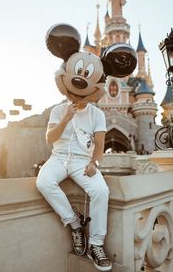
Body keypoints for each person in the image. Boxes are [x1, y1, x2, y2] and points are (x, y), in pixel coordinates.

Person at [36, 93, 112, 271]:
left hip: (82, 160)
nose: (80, 96)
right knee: (44, 182)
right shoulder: (58, 110)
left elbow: (100, 145)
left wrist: (94, 162)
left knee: (101, 190)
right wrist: (66, 118)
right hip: (58, 158)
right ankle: (75, 224)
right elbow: (50, 138)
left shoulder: (97, 114)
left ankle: (95, 245)